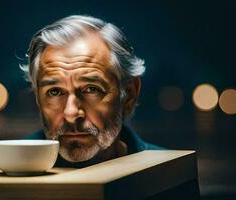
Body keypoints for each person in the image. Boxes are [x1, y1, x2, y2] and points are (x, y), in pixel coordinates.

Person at [20, 15, 164, 168]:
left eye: (91, 89)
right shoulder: (12, 177)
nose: (71, 114)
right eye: (54, 92)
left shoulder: (169, 174)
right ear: (37, 97)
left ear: (129, 94)